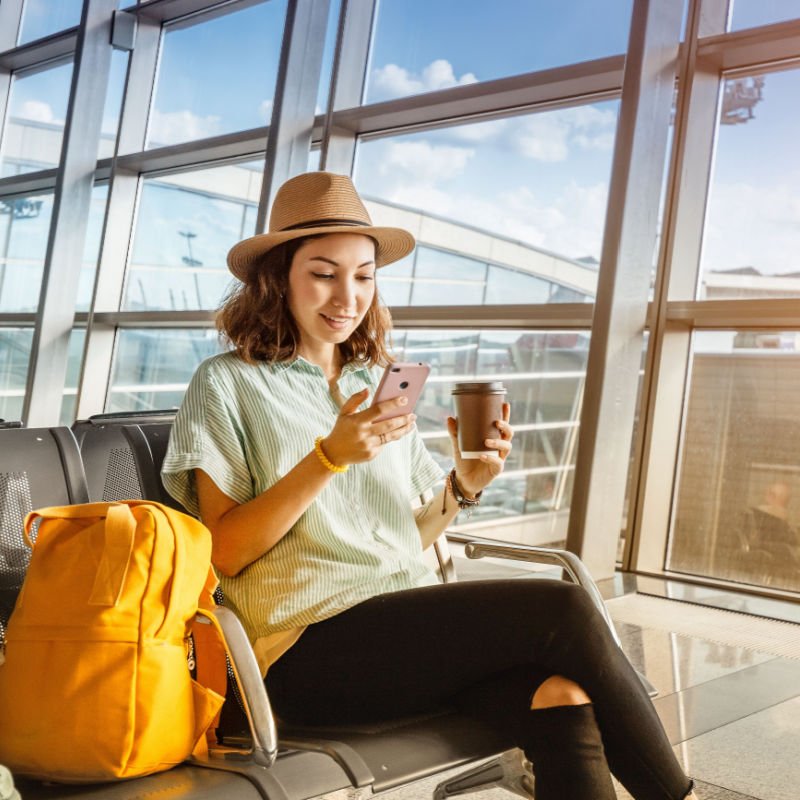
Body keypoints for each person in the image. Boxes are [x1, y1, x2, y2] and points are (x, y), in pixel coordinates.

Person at [162, 171, 698, 800]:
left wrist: (463, 487)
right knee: (564, 607)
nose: (348, 295)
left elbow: (403, 536)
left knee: (562, 697)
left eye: (363, 275)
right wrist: (326, 459)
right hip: (301, 650)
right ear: (278, 277)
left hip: (402, 632)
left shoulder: (373, 378)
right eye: (324, 272)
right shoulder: (225, 382)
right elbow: (224, 551)